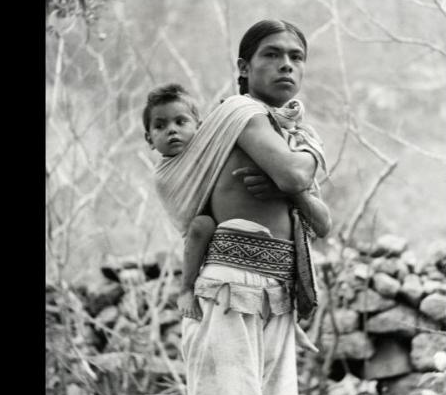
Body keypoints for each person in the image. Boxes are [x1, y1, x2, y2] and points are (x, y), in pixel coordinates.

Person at [152, 19, 326, 395]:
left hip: (277, 293)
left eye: (295, 57)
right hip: (230, 286)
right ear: (244, 67)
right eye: (272, 55)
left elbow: (321, 223)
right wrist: (294, 176)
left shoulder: (291, 132)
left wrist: (292, 195)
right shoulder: (241, 113)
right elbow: (293, 174)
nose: (286, 65)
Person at [141, 83, 330, 322]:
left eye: (180, 122)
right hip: (217, 258)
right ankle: (186, 288)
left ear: (201, 129)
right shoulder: (165, 174)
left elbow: (323, 224)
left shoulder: (217, 146)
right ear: (149, 139)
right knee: (200, 226)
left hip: (276, 277)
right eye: (160, 126)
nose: (171, 131)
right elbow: (190, 214)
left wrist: (286, 187)